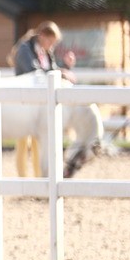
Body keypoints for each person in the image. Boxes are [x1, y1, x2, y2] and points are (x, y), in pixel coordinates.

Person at [8, 22, 77, 177]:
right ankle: (22, 180)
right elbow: (34, 72)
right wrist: (62, 71)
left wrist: (65, 67)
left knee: (38, 142)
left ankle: (38, 178)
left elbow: (50, 72)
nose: (51, 45)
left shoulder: (45, 51)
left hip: (39, 104)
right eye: (50, 41)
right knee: (22, 143)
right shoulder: (25, 50)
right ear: (42, 36)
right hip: (24, 102)